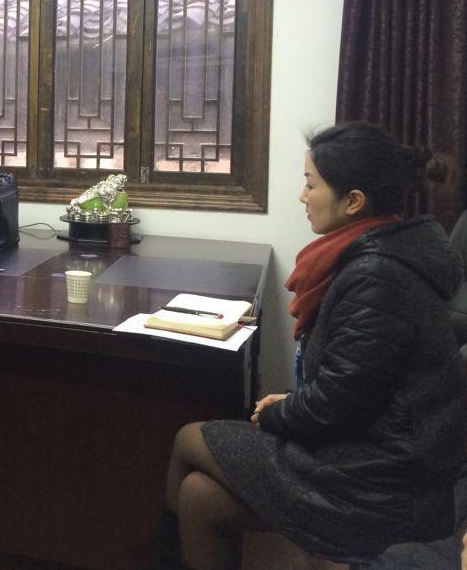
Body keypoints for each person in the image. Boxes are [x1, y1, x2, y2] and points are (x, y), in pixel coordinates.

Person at [150, 122, 467, 570]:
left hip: (380, 486)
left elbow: (337, 405)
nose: (302, 196)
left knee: (189, 438)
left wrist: (278, 411)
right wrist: (292, 401)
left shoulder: (379, 277)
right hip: (371, 457)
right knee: (199, 496)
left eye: (311, 184)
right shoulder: (387, 251)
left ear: (353, 201)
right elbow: (355, 384)